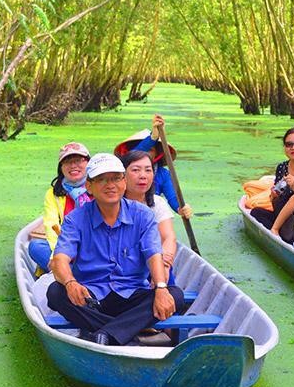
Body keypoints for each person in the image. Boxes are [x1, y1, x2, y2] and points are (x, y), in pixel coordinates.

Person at [46, 153, 183, 346]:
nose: (110, 185)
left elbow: (153, 254)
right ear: (89, 186)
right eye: (102, 179)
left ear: (124, 182)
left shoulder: (143, 215)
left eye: (116, 178)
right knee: (55, 292)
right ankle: (127, 329)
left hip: (132, 294)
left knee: (175, 294)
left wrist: (161, 287)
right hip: (91, 298)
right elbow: (60, 258)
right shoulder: (75, 219)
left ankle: (106, 334)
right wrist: (70, 283)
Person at [121, 149, 185, 346]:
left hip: (151, 261)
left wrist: (164, 266)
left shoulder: (157, 203)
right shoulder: (113, 202)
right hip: (121, 262)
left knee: (168, 281)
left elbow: (168, 237)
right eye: (136, 170)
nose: (143, 176)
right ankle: (143, 322)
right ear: (123, 174)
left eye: (148, 170)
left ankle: (169, 331)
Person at [114, 114, 195, 219]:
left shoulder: (163, 174)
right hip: (122, 214)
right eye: (144, 148)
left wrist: (181, 208)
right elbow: (135, 154)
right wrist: (153, 138)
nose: (145, 154)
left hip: (149, 216)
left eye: (150, 150)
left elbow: (172, 197)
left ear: (157, 153)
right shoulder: (123, 168)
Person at [28, 142, 93, 272]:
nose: (73, 165)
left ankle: (66, 273)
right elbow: (51, 226)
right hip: (65, 247)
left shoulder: (99, 186)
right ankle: (67, 272)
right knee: (36, 246)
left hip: (94, 248)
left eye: (78, 160)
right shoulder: (53, 194)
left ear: (89, 163)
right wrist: (58, 255)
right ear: (61, 168)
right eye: (67, 161)